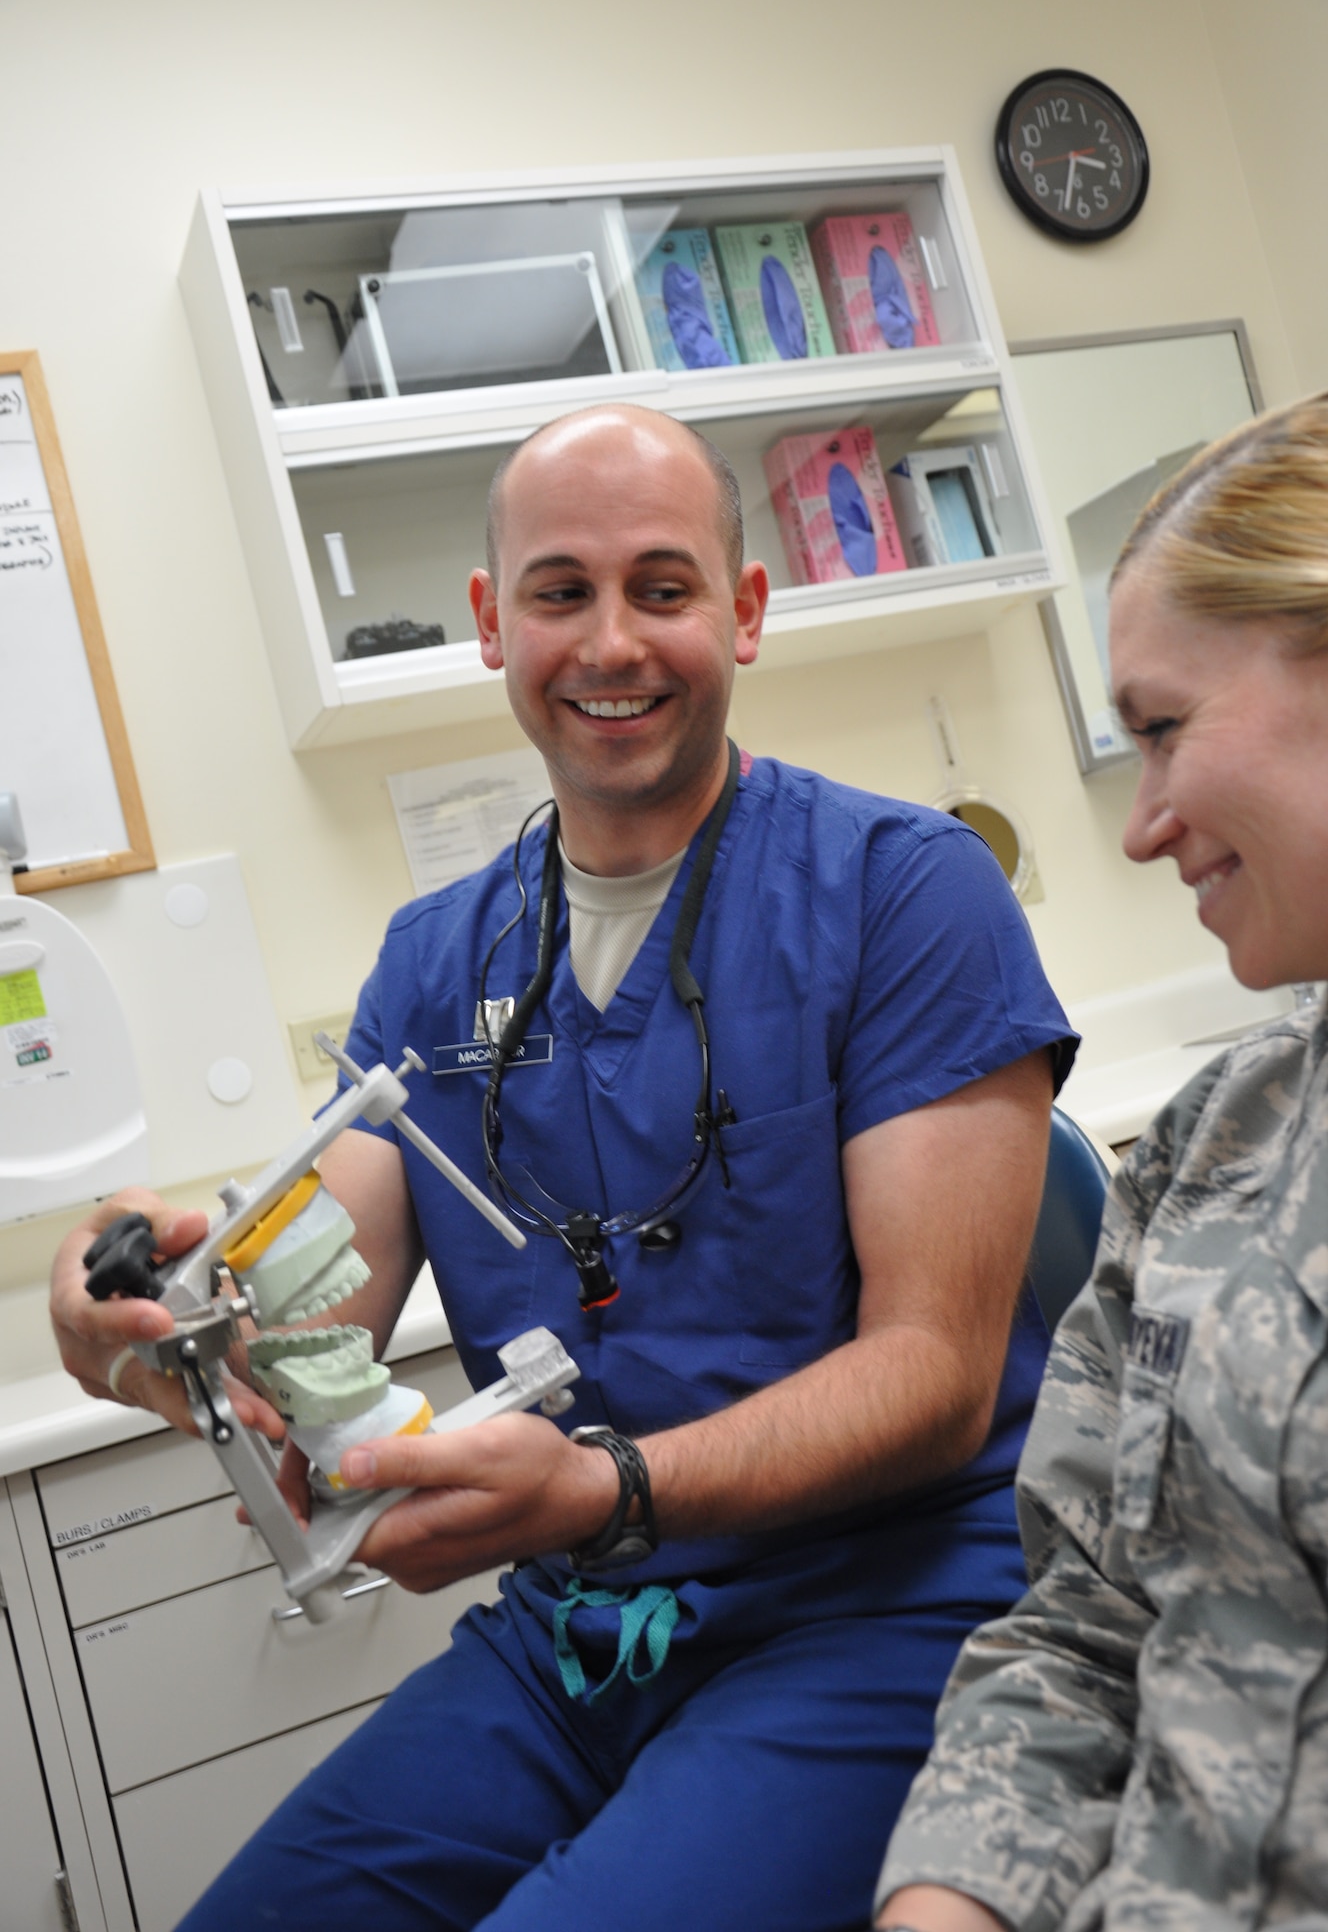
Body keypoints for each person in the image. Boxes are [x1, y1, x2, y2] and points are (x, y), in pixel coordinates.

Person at [51, 403, 1074, 1932]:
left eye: (664, 589)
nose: (612, 643)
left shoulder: (905, 893)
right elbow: (310, 1306)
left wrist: (605, 1489)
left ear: (742, 611)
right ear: (491, 624)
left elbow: (933, 1370)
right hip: (582, 1628)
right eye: (560, 592)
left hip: (881, 1605)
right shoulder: (431, 960)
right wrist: (154, 1322)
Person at [876, 392, 1328, 1932]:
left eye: (1163, 729)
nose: (1140, 829)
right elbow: (1083, 1623)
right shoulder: (1216, 1146)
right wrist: (949, 1900)